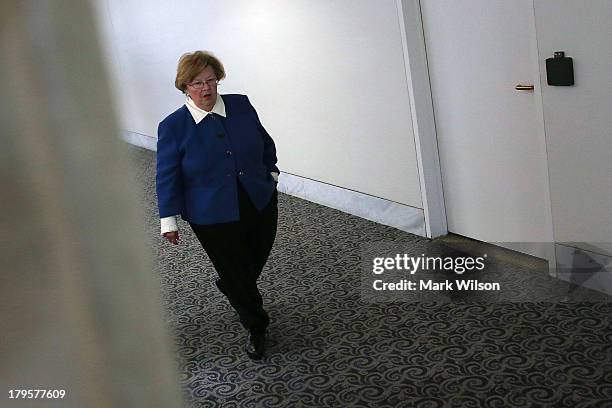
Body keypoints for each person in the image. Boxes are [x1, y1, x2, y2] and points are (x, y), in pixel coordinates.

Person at [156, 50, 279, 360]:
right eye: (197, 83)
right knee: (237, 270)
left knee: (253, 258)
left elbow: (264, 141)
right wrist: (167, 219)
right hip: (210, 213)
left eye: (211, 80)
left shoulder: (240, 104)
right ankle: (256, 325)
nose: (206, 89)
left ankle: (233, 284)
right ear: (184, 86)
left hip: (258, 198)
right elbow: (166, 175)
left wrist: (272, 172)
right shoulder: (173, 126)